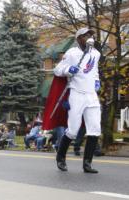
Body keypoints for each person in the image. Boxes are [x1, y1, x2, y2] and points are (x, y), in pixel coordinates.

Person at [54, 27, 101, 173]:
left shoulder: (96, 53)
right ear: (78, 39)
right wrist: (68, 69)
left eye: (90, 35)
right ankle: (60, 157)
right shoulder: (72, 53)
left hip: (91, 95)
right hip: (76, 93)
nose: (89, 37)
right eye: (85, 35)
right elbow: (57, 70)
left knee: (94, 129)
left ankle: (87, 163)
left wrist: (97, 80)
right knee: (73, 130)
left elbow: (95, 71)